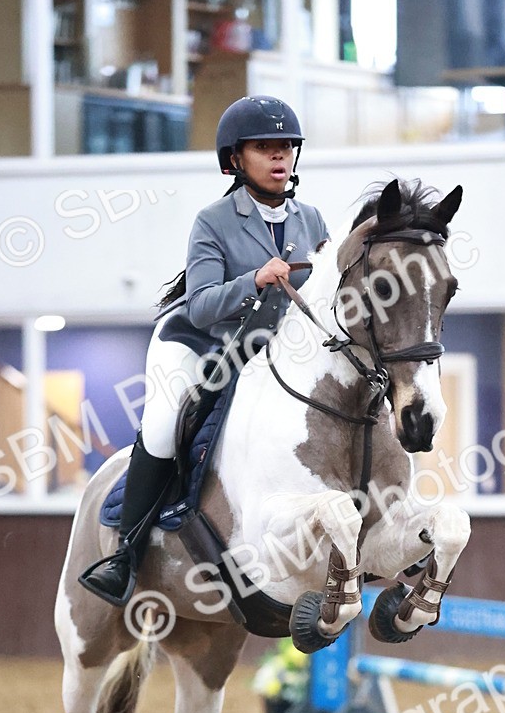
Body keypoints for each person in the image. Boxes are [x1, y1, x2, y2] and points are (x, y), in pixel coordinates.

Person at [80, 96, 330, 607]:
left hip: (273, 353)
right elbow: (201, 306)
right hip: (201, 345)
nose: (280, 157)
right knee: (166, 422)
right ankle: (125, 555)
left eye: (286, 148)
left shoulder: (313, 221)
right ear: (235, 159)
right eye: (265, 148)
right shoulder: (213, 220)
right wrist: (255, 280)